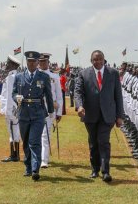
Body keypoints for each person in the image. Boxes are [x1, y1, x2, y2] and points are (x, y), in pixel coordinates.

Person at [74, 50, 124, 182]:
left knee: (103, 141)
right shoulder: (83, 74)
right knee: (93, 142)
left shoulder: (113, 73)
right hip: (90, 114)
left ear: (104, 59)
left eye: (100, 59)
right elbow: (78, 92)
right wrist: (79, 106)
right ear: (91, 61)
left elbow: (118, 96)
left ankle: (105, 171)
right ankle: (95, 169)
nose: (98, 62)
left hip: (107, 115)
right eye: (95, 60)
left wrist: (120, 116)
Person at [12, 51, 54, 181]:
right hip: (23, 112)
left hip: (38, 113)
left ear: (37, 63)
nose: (31, 63)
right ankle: (28, 167)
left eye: (34, 61)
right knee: (26, 142)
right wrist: (16, 97)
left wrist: (51, 111)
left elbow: (48, 95)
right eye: (29, 61)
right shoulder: (19, 77)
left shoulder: (43, 77)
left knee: (34, 141)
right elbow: (13, 93)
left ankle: (35, 169)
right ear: (26, 62)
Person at [0, 55, 21, 162]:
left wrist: (9, 111)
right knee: (14, 132)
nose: (6, 64)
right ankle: (14, 154)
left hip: (12, 110)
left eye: (8, 63)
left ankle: (15, 155)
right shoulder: (13, 77)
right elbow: (5, 96)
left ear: (13, 65)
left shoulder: (11, 78)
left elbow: (10, 97)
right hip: (13, 109)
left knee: (13, 132)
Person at [38, 53, 63, 168]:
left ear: (48, 62)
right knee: (34, 135)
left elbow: (59, 95)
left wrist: (59, 112)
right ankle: (36, 157)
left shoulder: (54, 76)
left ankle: (44, 160)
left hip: (49, 109)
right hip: (35, 108)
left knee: (45, 134)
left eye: (45, 61)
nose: (43, 64)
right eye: (41, 61)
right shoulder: (35, 75)